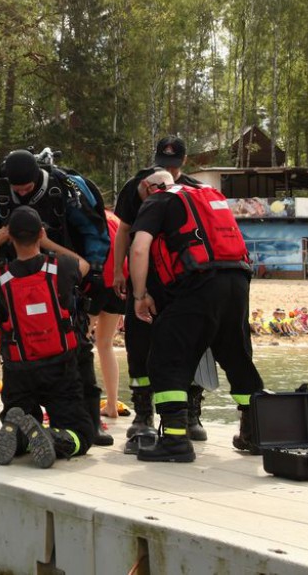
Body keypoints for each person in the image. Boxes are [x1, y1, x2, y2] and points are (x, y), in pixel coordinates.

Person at [0, 148, 112, 445]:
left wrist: (97, 272)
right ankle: (28, 424)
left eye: (27, 186)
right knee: (16, 348)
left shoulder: (64, 191)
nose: (21, 190)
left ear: (38, 177)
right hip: (23, 279)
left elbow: (93, 228)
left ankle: (81, 423)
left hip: (57, 283)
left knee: (78, 351)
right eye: (17, 186)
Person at [128, 170, 264, 462]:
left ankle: (175, 441)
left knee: (167, 356)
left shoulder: (158, 200)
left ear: (148, 187)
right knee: (236, 356)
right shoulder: (209, 196)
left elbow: (139, 249)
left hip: (199, 283)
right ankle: (256, 433)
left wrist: (140, 296)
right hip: (237, 280)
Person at [0, 206, 94, 468]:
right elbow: (85, 265)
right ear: (40, 233)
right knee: (82, 434)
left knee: (19, 413)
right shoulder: (61, 268)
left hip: (18, 368)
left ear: (10, 237)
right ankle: (56, 439)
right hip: (61, 366)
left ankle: (19, 435)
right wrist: (48, 242)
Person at [111, 137, 209, 451]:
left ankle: (190, 414)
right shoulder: (137, 186)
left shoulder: (195, 189)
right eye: (162, 163)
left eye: (173, 165)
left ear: (183, 164)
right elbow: (124, 230)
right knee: (139, 343)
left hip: (183, 282)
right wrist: (117, 270)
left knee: (191, 347)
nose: (166, 169)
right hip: (146, 279)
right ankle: (143, 414)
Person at [91, 208, 127, 419]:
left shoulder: (89, 216)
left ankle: (84, 403)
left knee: (81, 343)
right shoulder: (115, 216)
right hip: (119, 280)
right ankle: (112, 404)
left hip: (98, 280)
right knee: (105, 344)